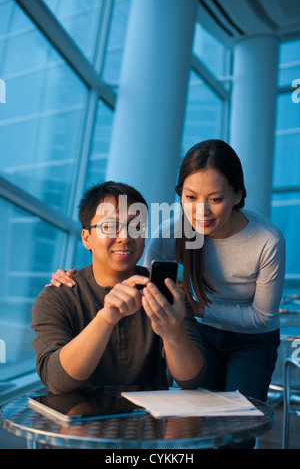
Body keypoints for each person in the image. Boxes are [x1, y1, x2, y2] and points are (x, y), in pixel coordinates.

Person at [51, 140, 285, 406]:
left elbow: (263, 318)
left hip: (251, 340)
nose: (201, 211)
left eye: (216, 199)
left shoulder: (267, 241)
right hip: (203, 332)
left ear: (238, 196)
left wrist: (198, 309)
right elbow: (139, 278)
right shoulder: (172, 233)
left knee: (241, 424)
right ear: (180, 194)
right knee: (202, 416)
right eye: (191, 197)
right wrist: (76, 276)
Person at [31, 181, 205, 395]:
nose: (125, 237)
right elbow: (56, 381)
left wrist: (173, 334)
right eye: (111, 226)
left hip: (146, 421)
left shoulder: (166, 293)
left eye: (136, 227)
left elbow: (191, 379)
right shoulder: (57, 297)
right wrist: (105, 319)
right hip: (79, 422)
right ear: (87, 238)